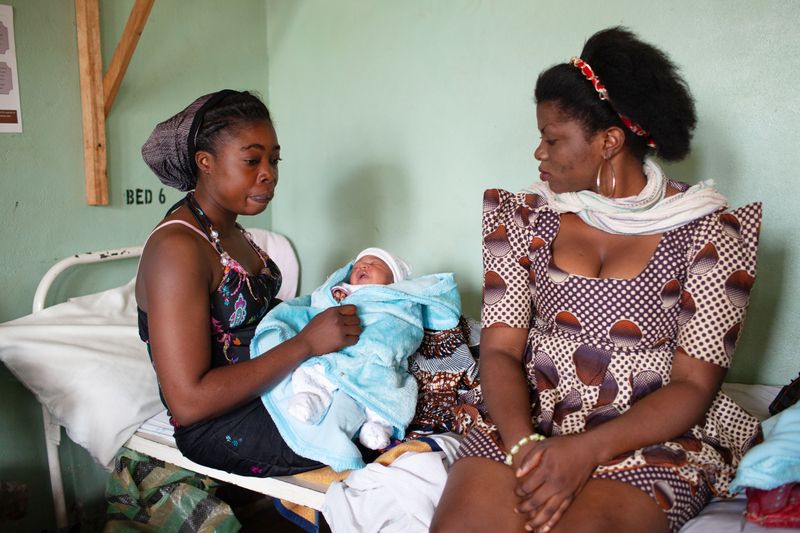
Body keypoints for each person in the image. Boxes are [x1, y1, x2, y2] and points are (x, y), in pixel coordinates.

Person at [431, 27, 762, 533]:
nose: (538, 154)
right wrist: (523, 443)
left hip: (650, 437)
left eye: (552, 138)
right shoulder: (522, 218)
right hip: (529, 418)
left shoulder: (707, 231)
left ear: (609, 142)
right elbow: (498, 350)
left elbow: (694, 384)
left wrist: (584, 452)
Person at [135, 89, 362, 478]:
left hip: (272, 389)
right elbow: (188, 402)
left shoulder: (232, 231)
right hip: (220, 424)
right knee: (379, 425)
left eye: (274, 160)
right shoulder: (178, 249)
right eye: (252, 160)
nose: (269, 173)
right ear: (205, 162)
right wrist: (306, 343)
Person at [250, 247, 462, 471]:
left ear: (393, 281)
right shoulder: (340, 290)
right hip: (335, 352)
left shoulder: (398, 301)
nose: (363, 266)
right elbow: (317, 306)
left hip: (373, 358)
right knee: (311, 370)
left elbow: (404, 330)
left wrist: (376, 348)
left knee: (380, 392)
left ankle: (377, 425)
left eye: (375, 264)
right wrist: (333, 299)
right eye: (359, 263)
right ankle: (311, 398)